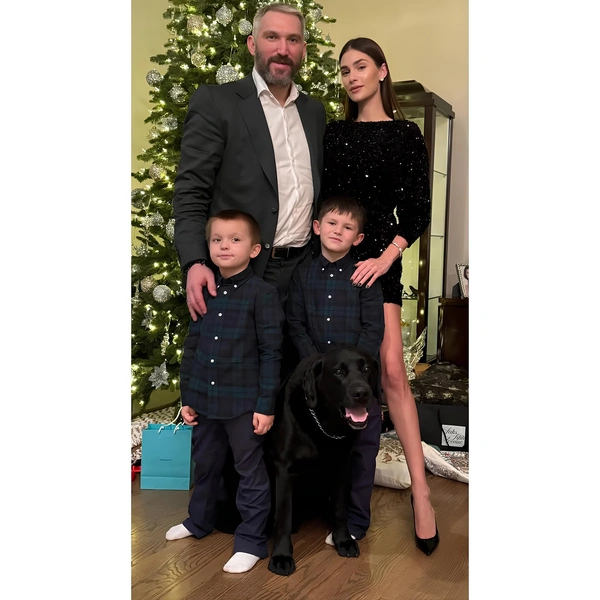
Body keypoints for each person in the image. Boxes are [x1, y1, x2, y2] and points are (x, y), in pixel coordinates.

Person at [321, 37, 439, 555]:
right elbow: (321, 200)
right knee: (330, 369)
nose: (351, 76)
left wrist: (388, 257)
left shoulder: (406, 134)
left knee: (391, 372)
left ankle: (422, 494)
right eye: (344, 69)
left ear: (382, 71)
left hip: (381, 263)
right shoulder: (333, 133)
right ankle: (335, 496)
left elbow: (416, 209)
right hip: (334, 262)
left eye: (361, 66)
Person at [173, 2, 326, 314]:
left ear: (303, 50)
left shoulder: (314, 112)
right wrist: (194, 261)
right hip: (242, 273)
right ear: (252, 44)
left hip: (305, 272)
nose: (283, 49)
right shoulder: (217, 102)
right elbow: (191, 190)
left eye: (293, 40)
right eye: (272, 37)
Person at [165, 210, 285, 574]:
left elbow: (271, 353)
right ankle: (199, 521)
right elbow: (192, 347)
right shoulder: (204, 291)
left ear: (254, 249)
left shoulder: (263, 294)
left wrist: (265, 406)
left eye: (235, 239)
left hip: (244, 405)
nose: (224, 246)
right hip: (205, 401)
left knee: (249, 472)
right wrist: (188, 398)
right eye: (217, 240)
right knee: (205, 465)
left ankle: (251, 542)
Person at [285, 195, 385, 542]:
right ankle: (317, 512)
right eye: (331, 223)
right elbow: (295, 322)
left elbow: (373, 328)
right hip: (320, 383)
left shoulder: (364, 276)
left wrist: (358, 372)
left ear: (358, 238)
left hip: (358, 384)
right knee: (320, 451)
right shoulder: (302, 274)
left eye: (347, 227)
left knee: (362, 452)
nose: (338, 231)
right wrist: (317, 367)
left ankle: (355, 522)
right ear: (316, 227)